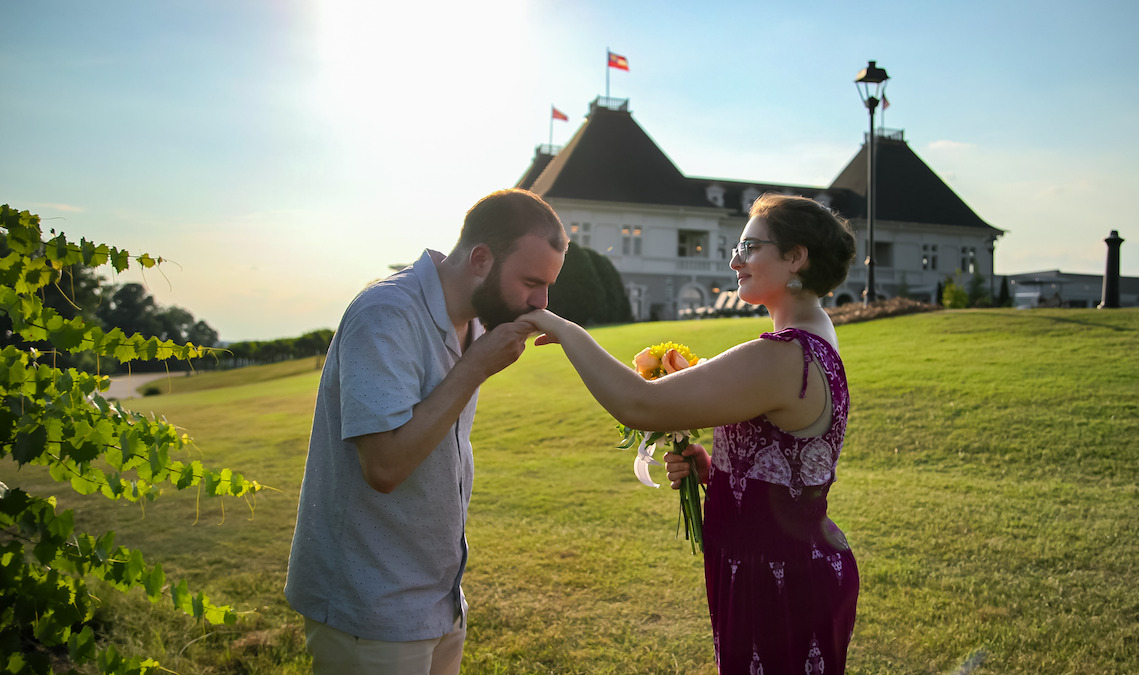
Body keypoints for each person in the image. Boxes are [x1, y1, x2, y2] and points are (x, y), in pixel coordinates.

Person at [518, 193, 859, 674]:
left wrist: (565, 329)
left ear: (795, 257)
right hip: (785, 566)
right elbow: (789, 466)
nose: (734, 260)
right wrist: (718, 473)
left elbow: (641, 404)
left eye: (749, 247)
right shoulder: (817, 337)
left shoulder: (781, 356)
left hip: (777, 581)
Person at [285, 188, 567, 675]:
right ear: (481, 259)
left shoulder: (474, 323)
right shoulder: (387, 314)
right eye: (530, 282)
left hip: (440, 600)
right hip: (371, 609)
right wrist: (475, 367)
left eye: (547, 286)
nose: (541, 301)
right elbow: (384, 467)